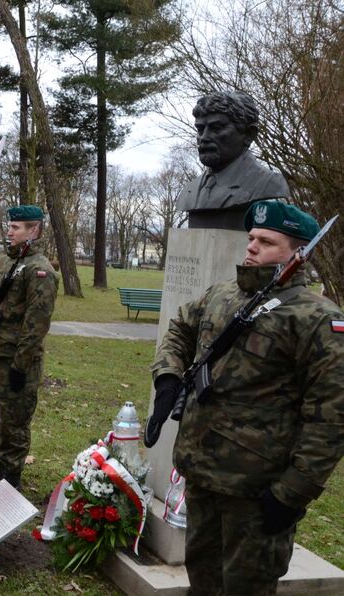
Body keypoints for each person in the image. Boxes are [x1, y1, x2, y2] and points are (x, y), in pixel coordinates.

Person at [150, 200, 343, 595]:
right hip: (202, 474)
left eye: (267, 241)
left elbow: (331, 418)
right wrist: (168, 378)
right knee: (202, 579)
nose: (251, 246)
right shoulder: (222, 295)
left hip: (256, 492)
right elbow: (180, 329)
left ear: (298, 252)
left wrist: (292, 494)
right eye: (251, 237)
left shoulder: (316, 318)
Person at [0, 205, 58, 489]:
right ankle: (2, 469)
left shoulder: (39, 270)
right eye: (10, 226)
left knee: (15, 420)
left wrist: (21, 366)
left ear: (33, 230)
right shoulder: (5, 261)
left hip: (17, 361)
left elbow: (36, 326)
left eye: (16, 227)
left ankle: (11, 477)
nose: (9, 231)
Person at [178, 91, 289, 230]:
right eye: (200, 129)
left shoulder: (269, 184)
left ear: (249, 134)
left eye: (216, 128)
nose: (204, 138)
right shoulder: (190, 191)